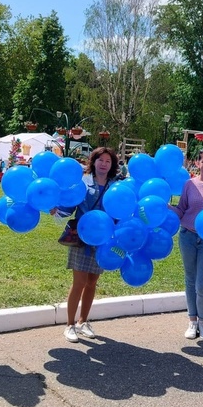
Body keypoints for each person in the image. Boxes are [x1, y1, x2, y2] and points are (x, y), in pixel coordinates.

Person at [56, 147, 119, 343]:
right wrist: (56, 210)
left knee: (92, 283)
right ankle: (70, 325)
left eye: (108, 161)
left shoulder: (115, 186)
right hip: (82, 239)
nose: (103, 164)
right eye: (100, 160)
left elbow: (120, 212)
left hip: (103, 241)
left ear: (112, 165)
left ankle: (83, 322)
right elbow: (68, 206)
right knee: (79, 283)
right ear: (94, 162)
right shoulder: (82, 183)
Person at [169, 149, 203, 340]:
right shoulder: (189, 184)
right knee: (190, 279)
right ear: (197, 163)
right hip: (188, 236)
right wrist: (166, 208)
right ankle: (192, 321)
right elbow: (182, 209)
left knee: (202, 283)